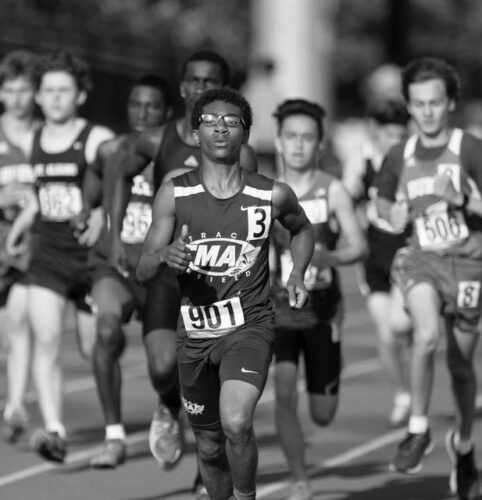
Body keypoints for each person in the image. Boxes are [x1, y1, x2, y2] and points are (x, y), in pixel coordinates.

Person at [137, 87, 314, 500]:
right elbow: (144, 270)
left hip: (249, 326)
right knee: (210, 446)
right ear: (195, 133)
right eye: (211, 121)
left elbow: (302, 228)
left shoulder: (271, 194)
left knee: (236, 422)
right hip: (195, 335)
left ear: (246, 134)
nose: (220, 128)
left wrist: (298, 274)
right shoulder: (174, 193)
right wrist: (164, 254)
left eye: (231, 122)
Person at [110, 51, 257, 497]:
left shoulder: (240, 150)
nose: (198, 88)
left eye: (209, 82)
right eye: (192, 80)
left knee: (215, 385)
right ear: (182, 88)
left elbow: (254, 209)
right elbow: (118, 170)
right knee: (160, 366)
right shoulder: (156, 141)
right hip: (171, 272)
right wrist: (116, 233)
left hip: (217, 284)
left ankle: (206, 469)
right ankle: (168, 404)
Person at [376, 57, 482, 499]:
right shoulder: (398, 155)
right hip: (421, 260)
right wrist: (390, 213)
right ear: (409, 106)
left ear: (450, 103)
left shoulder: (474, 149)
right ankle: (417, 428)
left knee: (461, 368)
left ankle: (463, 448)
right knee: (425, 336)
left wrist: (464, 199)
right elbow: (384, 206)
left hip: (468, 266)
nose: (426, 112)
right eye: (418, 104)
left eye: (435, 103)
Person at [8, 51, 114, 463]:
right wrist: (23, 223)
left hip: (90, 260)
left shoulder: (96, 139)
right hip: (48, 255)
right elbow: (39, 194)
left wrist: (103, 213)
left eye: (63, 90)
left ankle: (119, 425)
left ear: (80, 95)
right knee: (46, 338)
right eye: (47, 91)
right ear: (38, 96)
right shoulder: (31, 140)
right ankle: (54, 430)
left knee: (94, 348)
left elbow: (121, 189)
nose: (54, 98)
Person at [270, 99, 367, 500]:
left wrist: (331, 256)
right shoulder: (266, 192)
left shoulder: (334, 191)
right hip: (278, 310)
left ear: (320, 145)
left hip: (323, 310)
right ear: (277, 141)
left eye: (307, 138)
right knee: (284, 392)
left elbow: (359, 246)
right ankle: (299, 479)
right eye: (291, 136)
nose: (298, 145)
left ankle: (328, 372)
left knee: (323, 415)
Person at [78, 75, 173, 468]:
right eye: (135, 104)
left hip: (159, 273)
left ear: (167, 112)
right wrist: (87, 212)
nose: (142, 113)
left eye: (151, 106)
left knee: (163, 367)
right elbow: (92, 188)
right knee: (105, 330)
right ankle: (114, 435)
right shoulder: (109, 149)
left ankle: (168, 406)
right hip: (113, 267)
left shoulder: (176, 156)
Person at [342, 99, 413, 427]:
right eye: (390, 135)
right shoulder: (361, 160)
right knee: (386, 333)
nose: (395, 142)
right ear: (376, 131)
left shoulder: (413, 159)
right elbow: (345, 200)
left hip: (408, 252)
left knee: (402, 324)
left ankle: (417, 380)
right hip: (373, 256)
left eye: (401, 135)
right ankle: (403, 396)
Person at [0, 50, 40, 443]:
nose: (16, 98)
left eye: (23, 90)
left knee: (21, 323)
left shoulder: (46, 136)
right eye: (8, 90)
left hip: (31, 247)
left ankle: (15, 404)